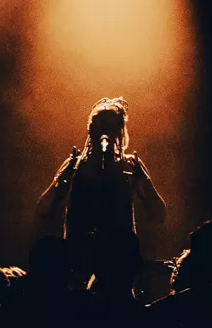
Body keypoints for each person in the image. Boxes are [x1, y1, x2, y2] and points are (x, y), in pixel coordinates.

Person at [35, 97, 167, 240]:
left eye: (108, 124)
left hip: (119, 251)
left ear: (119, 130)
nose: (103, 129)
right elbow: (42, 211)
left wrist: (144, 182)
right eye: (97, 123)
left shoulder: (129, 165)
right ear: (89, 128)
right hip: (79, 251)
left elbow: (159, 215)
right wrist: (61, 181)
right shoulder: (75, 165)